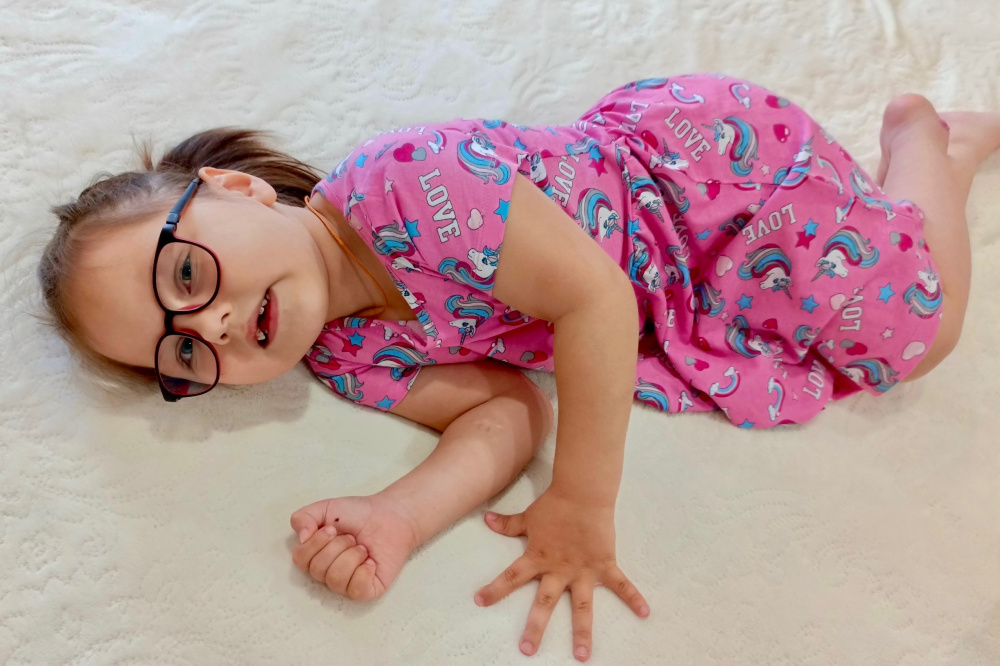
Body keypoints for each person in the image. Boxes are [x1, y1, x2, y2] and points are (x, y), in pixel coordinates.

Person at [36, 74, 996, 662]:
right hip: (664, 278)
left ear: (238, 189)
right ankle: (912, 183)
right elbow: (501, 414)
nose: (212, 322)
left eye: (187, 274)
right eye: (183, 352)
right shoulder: (346, 355)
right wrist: (399, 516)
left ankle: (924, 143)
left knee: (920, 336)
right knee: (834, 328)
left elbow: (597, 302)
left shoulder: (405, 182)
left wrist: (581, 500)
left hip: (701, 181)